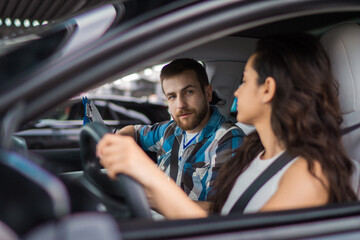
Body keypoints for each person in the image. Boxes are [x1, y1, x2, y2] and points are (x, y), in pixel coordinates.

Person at [97, 34, 357, 219]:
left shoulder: (310, 173)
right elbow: (222, 212)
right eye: (172, 97)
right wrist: (147, 193)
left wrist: (150, 177)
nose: (236, 93)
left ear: (267, 89)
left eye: (244, 81)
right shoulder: (256, 149)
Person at [108, 58, 245, 209]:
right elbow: (134, 131)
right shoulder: (170, 130)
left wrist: (149, 199)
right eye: (172, 96)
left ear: (207, 93)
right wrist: (115, 142)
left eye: (189, 92)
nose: (180, 104)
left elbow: (218, 210)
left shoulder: (227, 139)